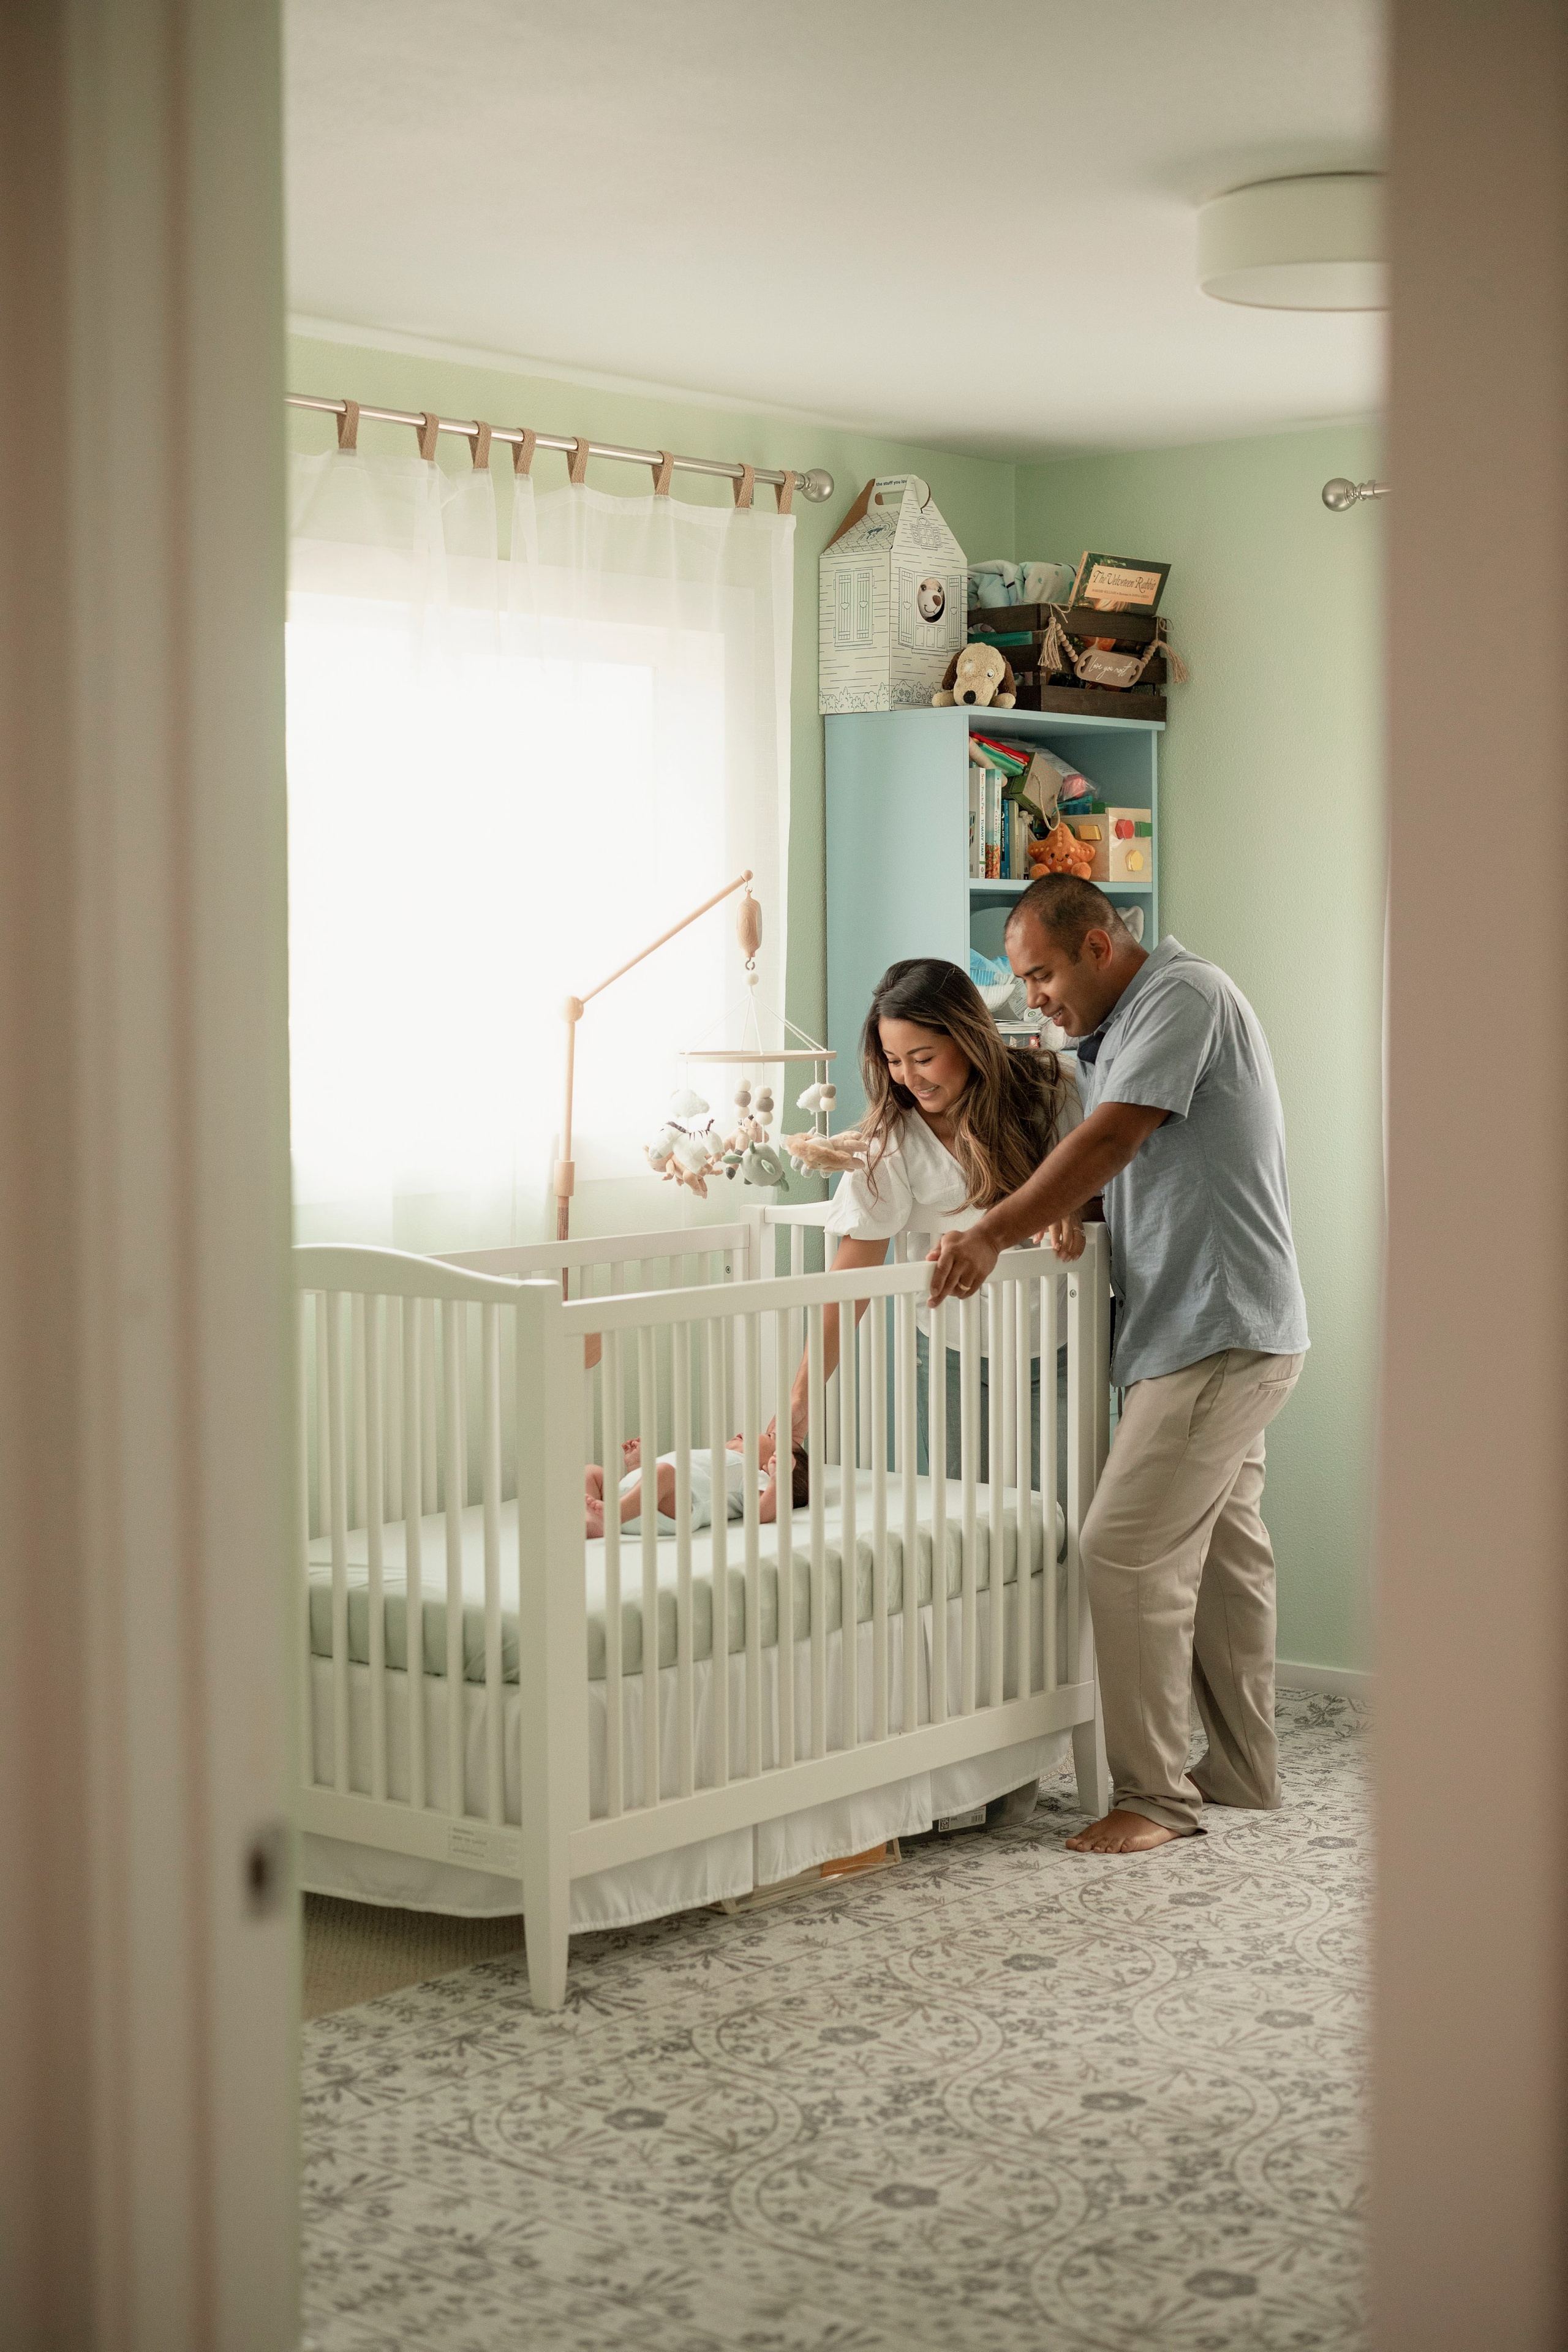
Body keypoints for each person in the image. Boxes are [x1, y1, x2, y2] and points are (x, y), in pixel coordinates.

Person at [926, 878, 1309, 1857]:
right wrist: (1078, 1212)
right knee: (1226, 1554)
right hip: (1207, 1327)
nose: (1031, 998)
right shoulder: (1122, 1029)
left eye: (1041, 975)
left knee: (1123, 1548)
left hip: (1214, 1330)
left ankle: (1155, 1796)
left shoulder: (1181, 995)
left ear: (1098, 946)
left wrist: (993, 1231)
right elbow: (1153, 1164)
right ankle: (1243, 1770)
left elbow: (1115, 1135)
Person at [777, 956, 1084, 1483]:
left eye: (923, 1057)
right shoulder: (891, 1138)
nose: (908, 1078)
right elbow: (851, 1279)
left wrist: (1069, 1206)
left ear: (968, 1040)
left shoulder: (1050, 1089)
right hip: (949, 1350)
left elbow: (1101, 1176)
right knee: (963, 1505)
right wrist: (799, 1404)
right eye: (893, 1061)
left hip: (1053, 1342)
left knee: (1056, 1505)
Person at [585, 1433, 807, 1539]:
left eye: (770, 1436)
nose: (752, 1431)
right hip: (642, 1506)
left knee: (664, 1472)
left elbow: (761, 1514)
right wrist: (638, 1468)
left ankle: (614, 1515)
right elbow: (651, 1486)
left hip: (680, 1509)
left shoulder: (753, 1472)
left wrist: (778, 1480)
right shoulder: (716, 1457)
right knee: (592, 1472)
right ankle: (592, 1522)